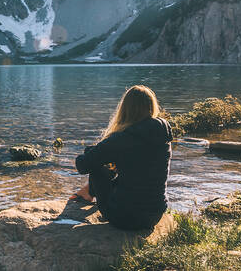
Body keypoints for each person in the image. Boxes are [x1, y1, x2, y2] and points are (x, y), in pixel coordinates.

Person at [71, 85, 172, 230]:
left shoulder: (122, 138)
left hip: (125, 217)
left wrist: (93, 151)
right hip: (155, 215)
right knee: (113, 162)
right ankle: (88, 192)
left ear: (125, 109)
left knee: (96, 163)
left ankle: (88, 193)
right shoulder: (163, 134)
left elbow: (82, 165)